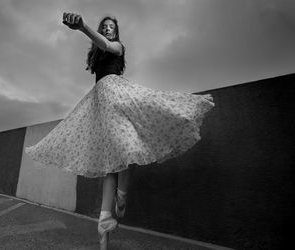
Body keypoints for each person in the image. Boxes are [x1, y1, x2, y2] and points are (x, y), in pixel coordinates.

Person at [25, 12, 215, 250]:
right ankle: (107, 215)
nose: (106, 29)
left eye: (110, 27)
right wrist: (85, 31)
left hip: (119, 95)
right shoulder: (97, 57)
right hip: (101, 102)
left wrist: (83, 26)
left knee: (127, 149)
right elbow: (99, 47)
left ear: (115, 32)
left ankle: (116, 203)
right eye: (103, 26)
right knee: (112, 161)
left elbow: (106, 45)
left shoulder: (117, 46)